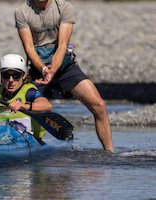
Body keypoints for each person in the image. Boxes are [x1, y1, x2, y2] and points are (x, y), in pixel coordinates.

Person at [14, 0, 114, 152]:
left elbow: (62, 45)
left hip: (66, 68)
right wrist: (43, 69)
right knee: (20, 107)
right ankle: (25, 145)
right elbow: (29, 48)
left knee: (99, 106)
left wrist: (52, 70)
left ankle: (110, 152)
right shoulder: (22, 11)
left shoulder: (64, 8)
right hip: (38, 69)